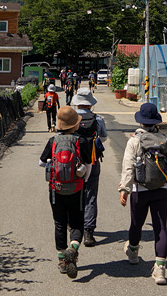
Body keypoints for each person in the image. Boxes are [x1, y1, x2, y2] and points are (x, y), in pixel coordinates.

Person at [119, 102, 167, 285]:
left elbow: (128, 167)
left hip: (140, 189)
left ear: (141, 122)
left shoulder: (135, 141)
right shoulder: (165, 140)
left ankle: (133, 253)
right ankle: (160, 269)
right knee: (161, 228)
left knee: (137, 223)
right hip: (162, 188)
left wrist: (124, 189)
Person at [39, 106, 92, 279]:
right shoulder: (81, 141)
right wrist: (83, 180)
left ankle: (62, 260)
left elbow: (41, 163)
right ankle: (73, 248)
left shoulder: (53, 140)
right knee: (77, 222)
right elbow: (88, 165)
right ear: (75, 124)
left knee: (60, 223)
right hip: (77, 188)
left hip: (57, 189)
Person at [72, 87, 107, 247]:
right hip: (92, 161)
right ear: (90, 103)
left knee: (73, 194)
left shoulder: (71, 117)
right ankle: (88, 233)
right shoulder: (97, 119)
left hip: (73, 162)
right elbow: (103, 138)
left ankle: (74, 227)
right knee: (91, 196)